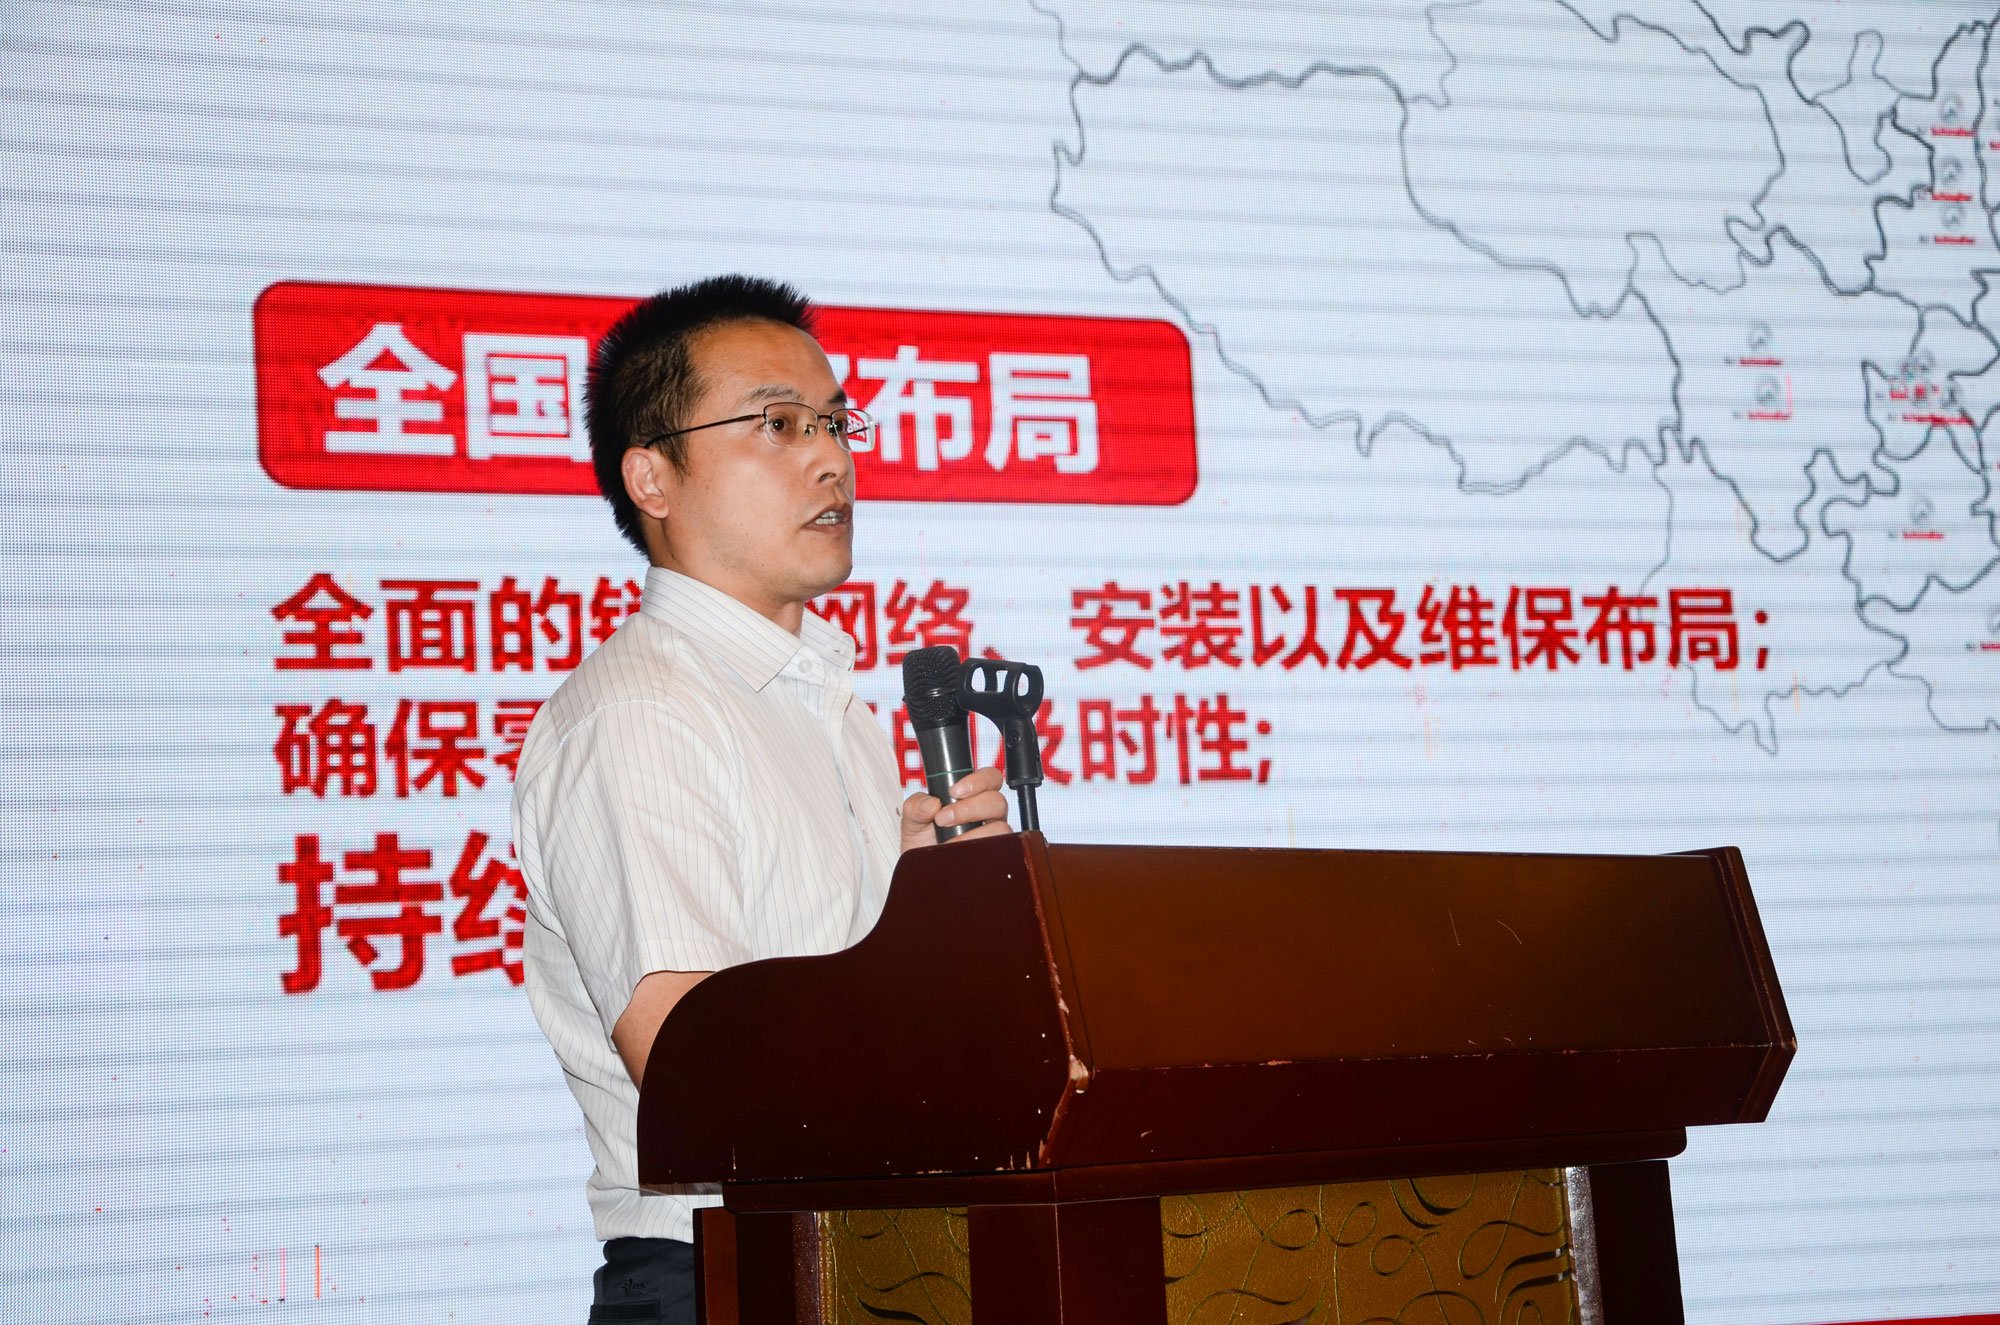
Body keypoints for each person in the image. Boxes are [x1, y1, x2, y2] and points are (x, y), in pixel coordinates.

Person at [510, 275, 1013, 1322]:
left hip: (867, 1259)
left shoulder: (823, 698)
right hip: (729, 1274)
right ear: (652, 476)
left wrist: (924, 916)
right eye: (778, 425)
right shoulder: (641, 713)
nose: (832, 459)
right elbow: (702, 1073)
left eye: (835, 422)